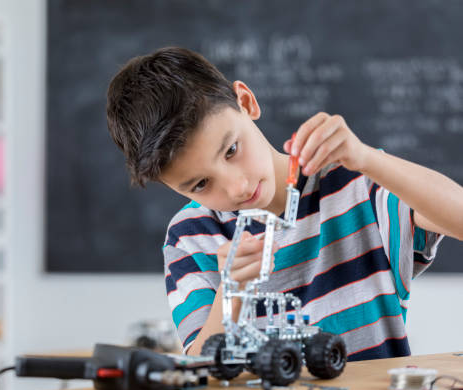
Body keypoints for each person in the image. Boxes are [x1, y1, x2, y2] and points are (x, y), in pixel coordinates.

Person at [106, 47, 463, 360]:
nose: (237, 188)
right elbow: (201, 368)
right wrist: (232, 292)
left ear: (246, 103)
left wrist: (369, 159)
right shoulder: (191, 237)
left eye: (231, 150)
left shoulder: (357, 183)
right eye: (200, 184)